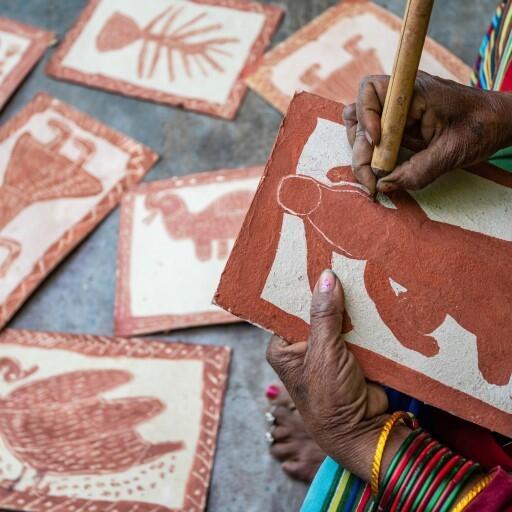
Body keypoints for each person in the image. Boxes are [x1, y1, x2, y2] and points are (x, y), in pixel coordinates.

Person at [264, 1, 512, 510]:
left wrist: (362, 438)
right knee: (419, 316)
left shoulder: (333, 194)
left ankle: (404, 433)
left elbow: (332, 273)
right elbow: (330, 271)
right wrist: (503, 117)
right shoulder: (327, 208)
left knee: (456, 317)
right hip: (426, 259)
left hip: (434, 255)